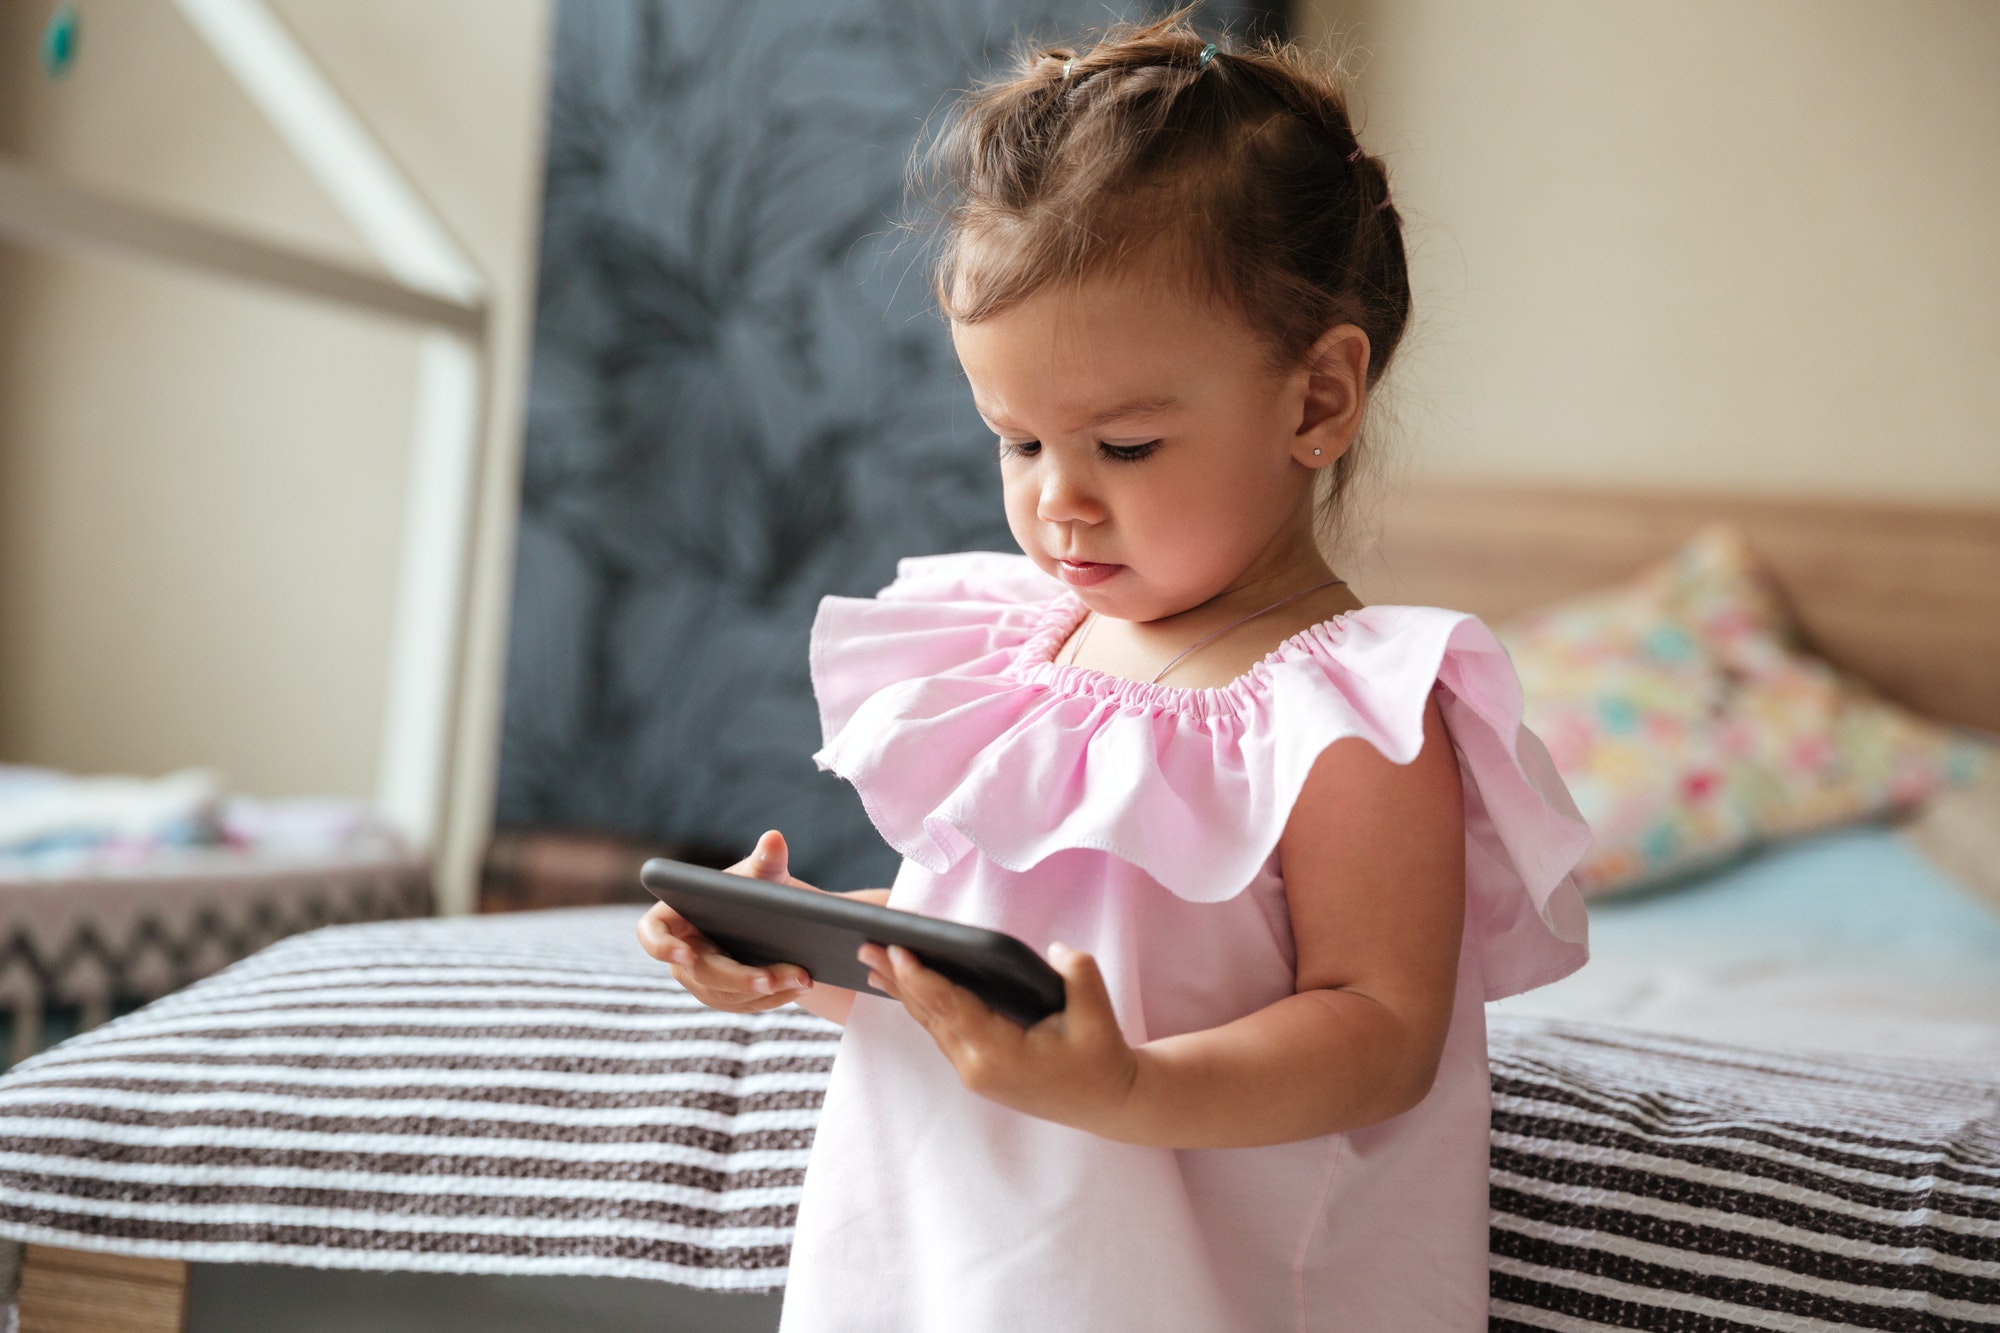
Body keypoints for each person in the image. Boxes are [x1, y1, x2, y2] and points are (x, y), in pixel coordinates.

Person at [638, 10, 1591, 1329]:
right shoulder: (1020, 647)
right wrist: (813, 942)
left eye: (1125, 447)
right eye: (1017, 443)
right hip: (963, 1245)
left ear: (1317, 401)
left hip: (1199, 1285)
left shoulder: (1352, 712)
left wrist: (1130, 1089)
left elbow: (1380, 1031)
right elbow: (1018, 942)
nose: (1058, 507)